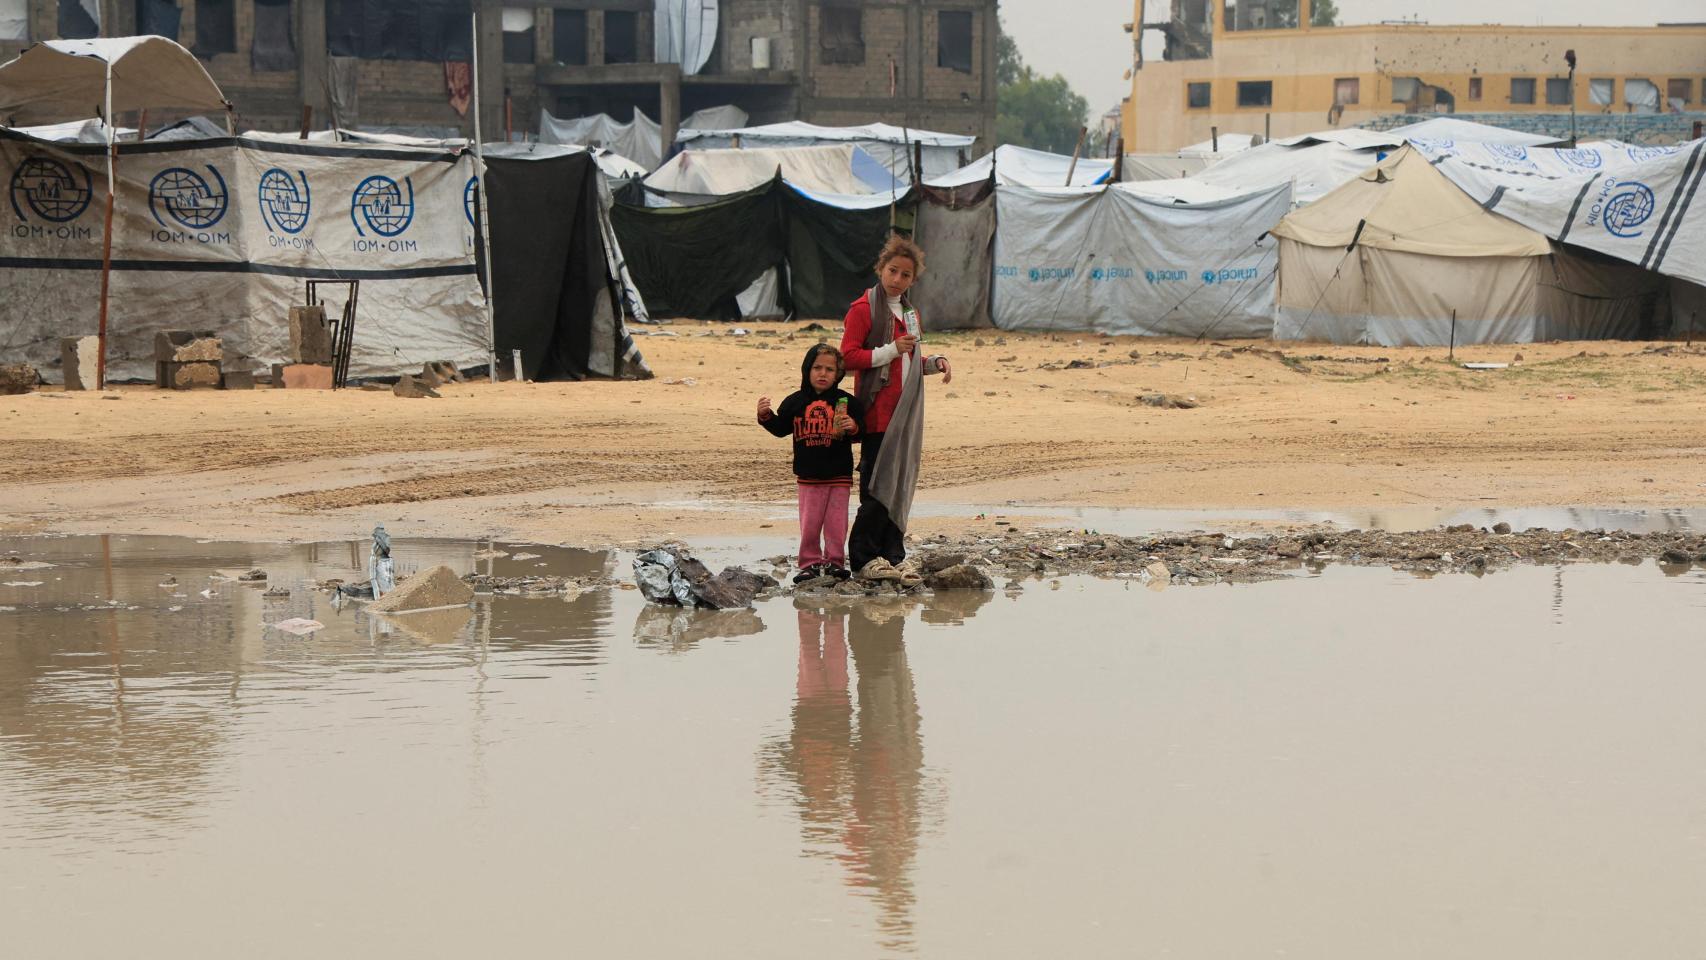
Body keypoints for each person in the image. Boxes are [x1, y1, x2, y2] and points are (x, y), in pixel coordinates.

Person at [839, 236, 952, 585]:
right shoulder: (863, 309)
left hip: (906, 415)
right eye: (892, 271)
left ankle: (892, 556)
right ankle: (863, 559)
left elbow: (910, 359)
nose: (897, 279)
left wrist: (933, 362)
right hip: (877, 414)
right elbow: (848, 358)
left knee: (900, 485)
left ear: (913, 280)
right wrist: (890, 349)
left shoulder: (910, 313)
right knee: (877, 488)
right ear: (880, 269)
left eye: (905, 275)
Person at [758, 344, 866, 583]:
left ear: (838, 374)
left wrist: (853, 427)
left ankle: (835, 562)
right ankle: (809, 563)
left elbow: (862, 432)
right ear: (807, 370)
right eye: (817, 368)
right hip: (808, 476)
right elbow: (780, 429)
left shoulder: (847, 402)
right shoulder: (795, 402)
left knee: (837, 524)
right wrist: (765, 416)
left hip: (839, 475)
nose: (823, 373)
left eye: (830, 369)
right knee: (810, 524)